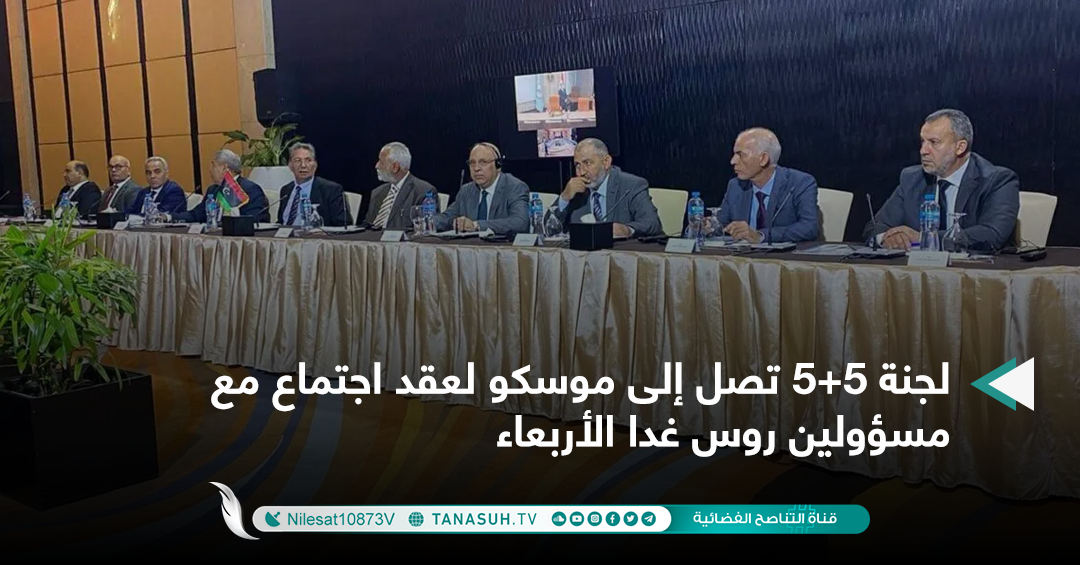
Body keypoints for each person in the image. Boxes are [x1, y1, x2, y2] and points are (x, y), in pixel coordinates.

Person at [864, 109, 1020, 252]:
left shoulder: (997, 180)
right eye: (923, 141)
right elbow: (875, 227)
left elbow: (992, 234)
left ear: (960, 147)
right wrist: (888, 237)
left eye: (934, 142)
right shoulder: (912, 178)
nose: (923, 151)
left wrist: (923, 239)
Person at [713, 128, 819, 242]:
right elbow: (721, 223)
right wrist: (708, 226)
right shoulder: (735, 185)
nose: (733, 161)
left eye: (740, 154)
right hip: (742, 253)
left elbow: (809, 228)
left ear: (763, 159)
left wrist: (760, 236)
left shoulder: (800, 183)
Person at [552, 138, 663, 237]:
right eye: (577, 165)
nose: (581, 172)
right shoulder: (575, 191)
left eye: (587, 163)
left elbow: (652, 223)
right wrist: (564, 197)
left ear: (606, 162)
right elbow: (549, 229)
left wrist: (628, 230)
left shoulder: (632, 185)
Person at [433, 142, 529, 235]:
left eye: (483, 162)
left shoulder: (515, 187)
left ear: (498, 165)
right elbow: (446, 218)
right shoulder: (466, 191)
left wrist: (477, 225)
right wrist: (426, 222)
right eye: (472, 163)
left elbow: (520, 223)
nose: (476, 168)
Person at [169, 149, 270, 224]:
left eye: (213, 165)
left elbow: (256, 219)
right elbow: (196, 215)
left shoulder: (250, 189)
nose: (210, 169)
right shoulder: (213, 190)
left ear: (224, 168)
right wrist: (169, 217)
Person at [362, 142, 437, 230]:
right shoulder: (377, 192)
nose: (376, 166)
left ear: (395, 167)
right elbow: (367, 225)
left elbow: (424, 229)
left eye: (381, 162)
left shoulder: (423, 191)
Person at [277, 143, 351, 227]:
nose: (303, 165)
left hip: (316, 234)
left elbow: (344, 224)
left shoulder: (331, 190)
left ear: (315, 165)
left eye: (308, 160)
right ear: (290, 165)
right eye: (298, 160)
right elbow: (281, 222)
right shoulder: (285, 190)